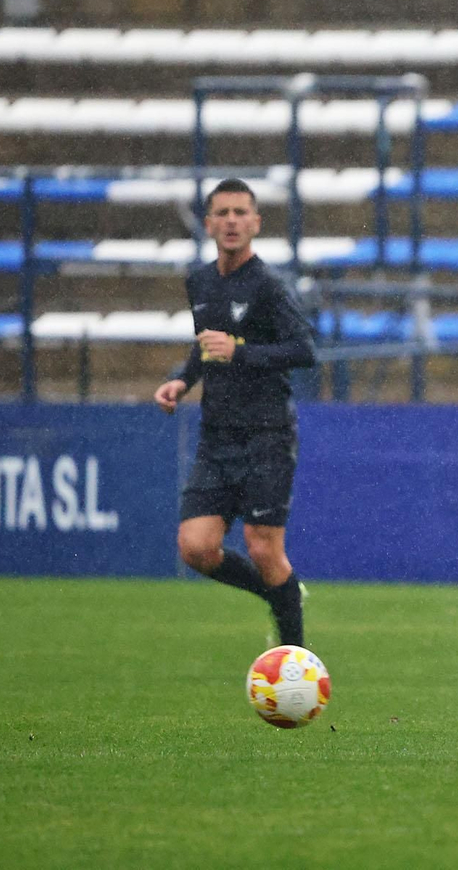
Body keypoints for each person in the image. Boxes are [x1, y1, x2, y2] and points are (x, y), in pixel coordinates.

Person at [154, 178, 316, 647]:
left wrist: (240, 351)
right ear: (208, 224)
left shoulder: (268, 285)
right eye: (222, 213)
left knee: (265, 550)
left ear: (256, 223)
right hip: (217, 435)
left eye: (240, 212)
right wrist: (183, 380)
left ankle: (296, 665)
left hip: (266, 434)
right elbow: (208, 345)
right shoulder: (200, 281)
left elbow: (304, 350)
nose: (231, 221)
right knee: (197, 548)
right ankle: (279, 594)